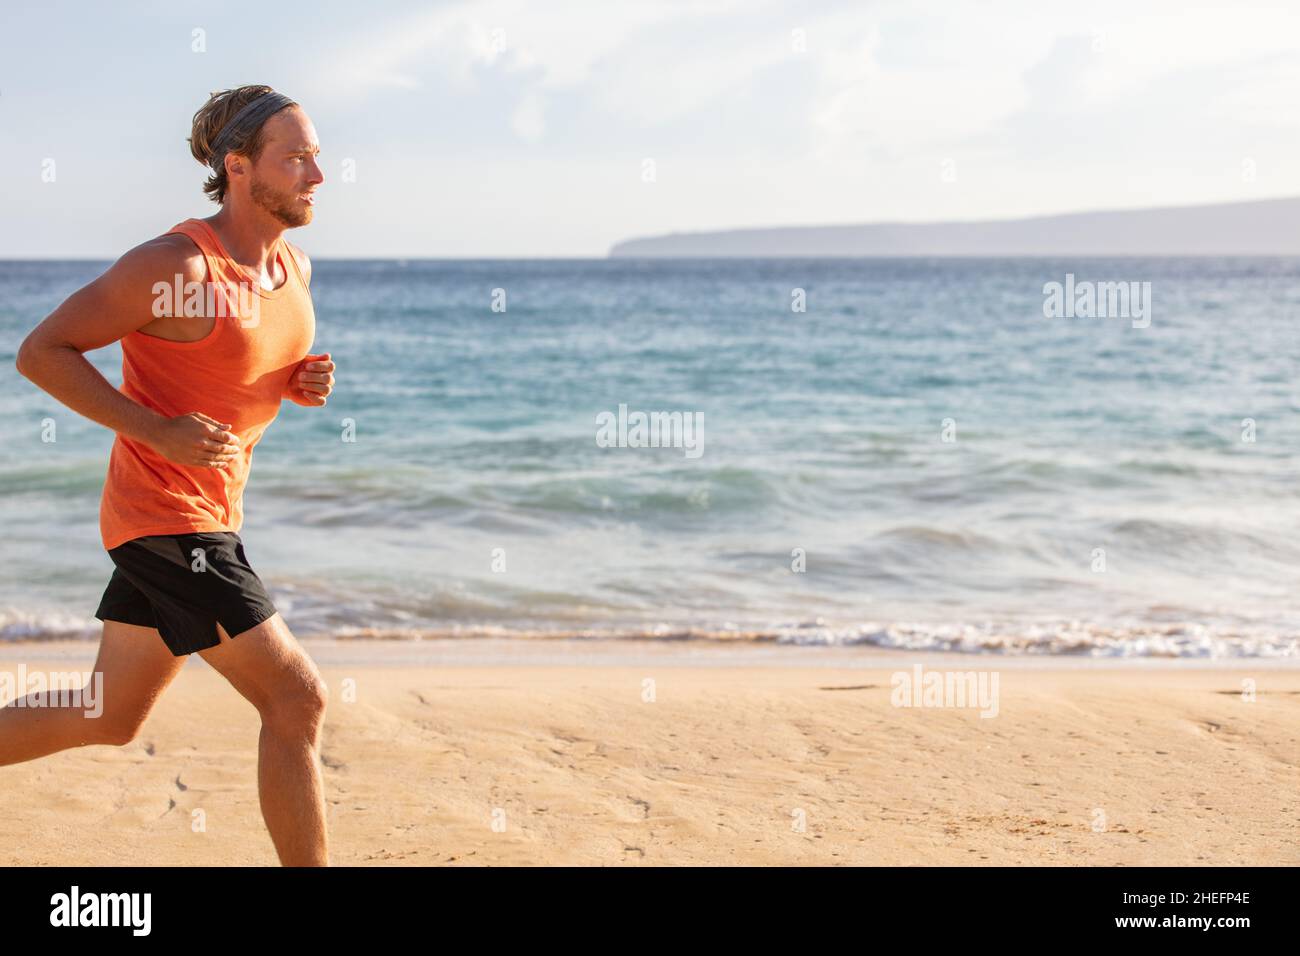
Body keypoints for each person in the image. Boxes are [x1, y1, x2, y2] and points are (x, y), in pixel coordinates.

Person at [9, 85, 335, 866]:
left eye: (316, 156)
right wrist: (154, 430)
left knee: (107, 715)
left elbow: (231, 366)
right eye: (296, 158)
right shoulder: (177, 265)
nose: (317, 175)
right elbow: (42, 351)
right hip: (165, 520)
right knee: (296, 699)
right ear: (238, 165)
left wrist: (295, 382)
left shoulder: (294, 268)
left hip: (212, 517)